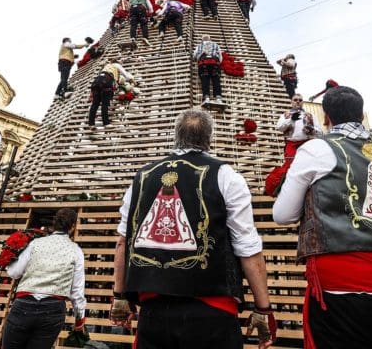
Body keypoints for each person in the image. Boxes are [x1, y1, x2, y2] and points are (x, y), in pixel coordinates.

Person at [273, 86, 372, 349]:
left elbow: (282, 214)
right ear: (361, 115)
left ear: (325, 117)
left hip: (343, 287)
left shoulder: (317, 149)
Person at [110, 109, 276, 349]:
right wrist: (263, 308)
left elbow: (123, 242)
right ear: (210, 139)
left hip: (154, 311)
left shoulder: (143, 175)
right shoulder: (226, 176)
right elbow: (248, 248)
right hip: (213, 312)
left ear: (175, 137)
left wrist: (119, 296)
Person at [2, 208, 87, 349]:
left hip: (24, 305)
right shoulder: (76, 250)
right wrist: (79, 321)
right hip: (52, 310)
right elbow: (76, 292)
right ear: (73, 226)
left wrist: (8, 260)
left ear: (54, 224)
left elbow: (14, 273)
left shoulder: (35, 244)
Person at [265, 95, 323, 196]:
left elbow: (321, 133)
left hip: (306, 144)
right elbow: (279, 128)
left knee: (307, 167)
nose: (298, 102)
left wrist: (312, 130)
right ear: (291, 102)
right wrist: (291, 119)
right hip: (291, 145)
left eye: (300, 100)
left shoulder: (311, 115)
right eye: (295, 100)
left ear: (302, 102)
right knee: (290, 167)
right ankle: (280, 190)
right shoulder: (286, 115)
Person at [89, 58, 133, 127]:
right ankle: (106, 123)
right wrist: (131, 80)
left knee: (95, 104)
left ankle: (91, 124)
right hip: (106, 83)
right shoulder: (117, 65)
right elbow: (125, 74)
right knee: (105, 104)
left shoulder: (107, 66)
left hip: (96, 82)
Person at [193, 35, 223, 104]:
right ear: (210, 39)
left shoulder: (199, 46)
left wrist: (198, 58)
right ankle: (218, 98)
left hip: (203, 64)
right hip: (215, 64)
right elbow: (220, 57)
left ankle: (206, 98)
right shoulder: (216, 45)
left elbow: (194, 55)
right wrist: (218, 63)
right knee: (216, 80)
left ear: (202, 40)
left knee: (205, 81)